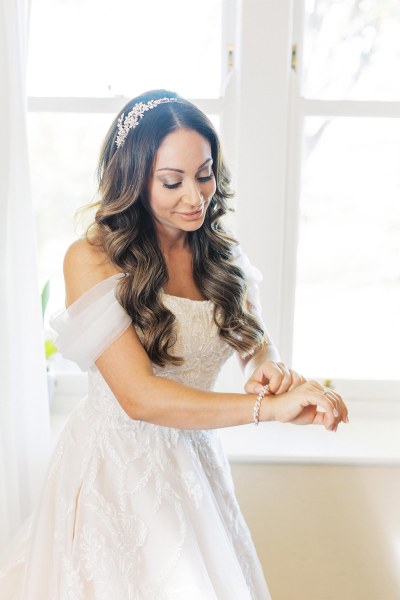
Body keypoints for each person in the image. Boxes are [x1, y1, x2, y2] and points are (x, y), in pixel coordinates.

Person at [0, 89, 348, 599]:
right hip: (114, 473)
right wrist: (267, 409)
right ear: (133, 179)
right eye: (172, 181)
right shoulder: (92, 258)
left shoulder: (223, 255)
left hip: (196, 468)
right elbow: (139, 398)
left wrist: (269, 369)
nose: (195, 197)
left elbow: (257, 344)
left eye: (204, 173)